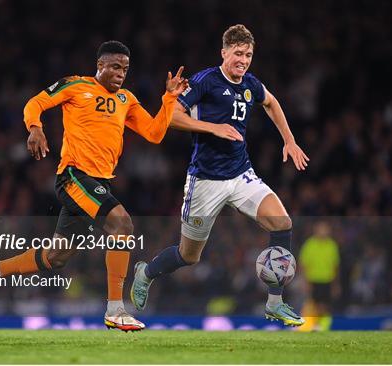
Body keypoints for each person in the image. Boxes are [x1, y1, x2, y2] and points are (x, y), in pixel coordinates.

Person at [0, 40, 189, 332]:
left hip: (98, 184)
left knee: (56, 257)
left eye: (124, 68)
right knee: (122, 223)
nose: (120, 73)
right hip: (74, 177)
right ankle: (115, 309)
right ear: (100, 65)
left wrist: (169, 97)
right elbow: (35, 102)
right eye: (114, 67)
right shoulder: (75, 85)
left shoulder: (127, 99)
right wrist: (35, 127)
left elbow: (154, 133)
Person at [130, 24, 309, 327]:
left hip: (241, 175)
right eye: (238, 53)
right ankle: (145, 273)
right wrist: (213, 128)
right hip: (205, 181)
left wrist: (289, 140)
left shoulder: (251, 83)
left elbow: (272, 103)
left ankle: (275, 302)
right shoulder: (205, 81)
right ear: (224, 52)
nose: (244, 59)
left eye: (249, 54)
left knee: (282, 222)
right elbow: (172, 116)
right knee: (189, 256)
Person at [298, 221, 340, 331]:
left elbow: (335, 265)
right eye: (321, 229)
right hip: (313, 279)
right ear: (315, 230)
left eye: (325, 229)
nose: (323, 232)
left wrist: (335, 284)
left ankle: (322, 326)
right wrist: (305, 281)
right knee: (315, 304)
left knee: (325, 305)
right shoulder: (310, 244)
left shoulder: (332, 245)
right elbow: (304, 264)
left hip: (327, 279)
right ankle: (315, 325)